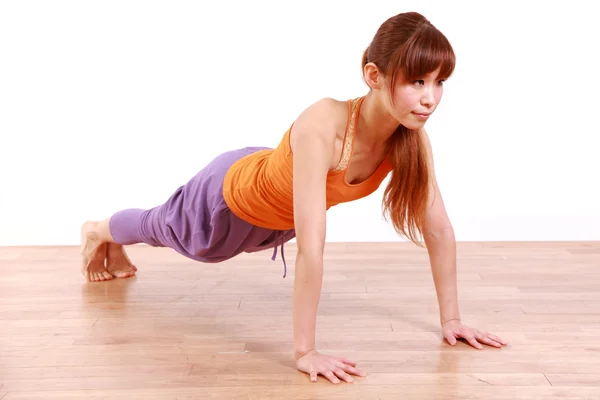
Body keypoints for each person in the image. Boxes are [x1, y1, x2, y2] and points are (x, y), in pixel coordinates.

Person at [79, 11, 507, 384]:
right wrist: (306, 352)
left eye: (438, 82)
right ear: (374, 75)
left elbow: (438, 229)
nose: (430, 98)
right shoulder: (324, 123)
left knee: (168, 232)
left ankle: (110, 239)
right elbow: (312, 250)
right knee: (165, 230)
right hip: (228, 197)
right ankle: (97, 230)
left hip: (275, 216)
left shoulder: (410, 141)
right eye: (417, 81)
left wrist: (451, 320)